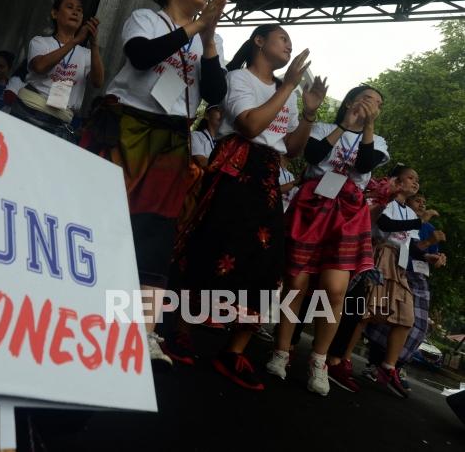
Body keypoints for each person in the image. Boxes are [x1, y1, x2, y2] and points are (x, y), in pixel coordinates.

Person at [80, 0, 229, 367]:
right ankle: (76, 306)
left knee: (157, 230)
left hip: (171, 136)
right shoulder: (145, 18)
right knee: (106, 218)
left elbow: (216, 94)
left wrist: (211, 38)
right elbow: (142, 57)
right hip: (128, 124)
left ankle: (144, 331)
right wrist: (198, 26)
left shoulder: (204, 39)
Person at [173, 23, 327, 389]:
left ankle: (233, 349)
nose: (289, 46)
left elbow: (291, 148)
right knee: (213, 243)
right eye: (282, 38)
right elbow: (249, 124)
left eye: (290, 42)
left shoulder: (286, 93)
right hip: (236, 167)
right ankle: (180, 330)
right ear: (259, 41)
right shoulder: (237, 78)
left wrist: (307, 113)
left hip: (268, 176)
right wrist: (288, 85)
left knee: (266, 260)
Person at [266, 85, 389, 396]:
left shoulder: (378, 142)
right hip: (312, 203)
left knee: (335, 290)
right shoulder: (321, 128)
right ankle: (281, 351)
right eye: (366, 98)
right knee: (297, 284)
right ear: (349, 100)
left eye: (377, 104)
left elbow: (363, 165)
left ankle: (319, 360)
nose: (370, 104)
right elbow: (314, 155)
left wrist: (367, 127)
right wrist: (345, 125)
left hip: (347, 212)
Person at [326, 166, 445, 398]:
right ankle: (343, 359)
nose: (415, 183)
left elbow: (409, 245)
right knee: (365, 312)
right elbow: (386, 226)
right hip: (380, 256)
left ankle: (388, 367)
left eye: (417, 180)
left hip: (399, 266)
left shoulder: (411, 216)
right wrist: (420, 222)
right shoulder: (387, 202)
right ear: (396, 181)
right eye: (411, 178)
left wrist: (427, 253)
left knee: (406, 317)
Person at [362, 193, 446, 388]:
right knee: (373, 313)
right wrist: (424, 234)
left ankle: (392, 366)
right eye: (418, 201)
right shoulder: (400, 214)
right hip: (392, 266)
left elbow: (418, 251)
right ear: (406, 202)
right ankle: (366, 362)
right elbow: (395, 236)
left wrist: (435, 257)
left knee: (414, 324)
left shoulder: (427, 227)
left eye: (425, 202)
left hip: (411, 274)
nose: (422, 205)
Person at [10, 0, 103, 140]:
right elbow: (40, 66)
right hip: (28, 110)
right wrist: (74, 42)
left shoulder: (87, 54)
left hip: (61, 123)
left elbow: (98, 82)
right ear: (55, 13)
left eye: (79, 10)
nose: (76, 12)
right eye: (69, 7)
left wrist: (95, 44)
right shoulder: (41, 42)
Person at [190, 104, 221, 168]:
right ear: (206, 115)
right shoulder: (195, 136)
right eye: (219, 109)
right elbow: (201, 161)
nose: (222, 114)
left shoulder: (225, 141)